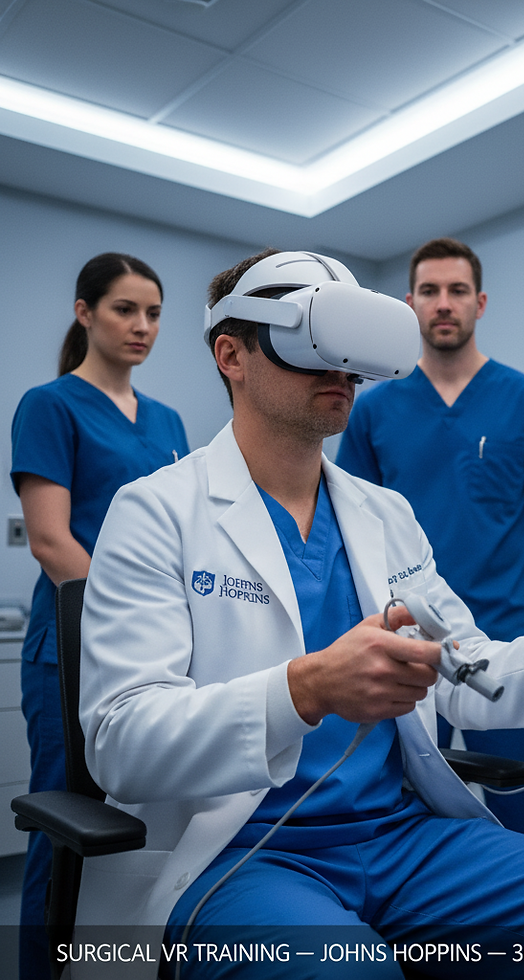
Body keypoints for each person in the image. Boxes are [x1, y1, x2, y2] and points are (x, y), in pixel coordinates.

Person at [75, 249, 524, 980]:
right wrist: (303, 690)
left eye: (351, 345)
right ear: (231, 354)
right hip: (244, 850)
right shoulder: (154, 513)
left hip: (402, 836)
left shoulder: (385, 514)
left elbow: (468, 673)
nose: (340, 368)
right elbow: (120, 743)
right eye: (308, 343)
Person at [337, 238, 524, 841]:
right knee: (407, 816)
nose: (443, 304)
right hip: (406, 648)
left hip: (509, 637)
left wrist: (502, 588)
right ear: (410, 303)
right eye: (429, 291)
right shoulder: (374, 409)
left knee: (522, 816)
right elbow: (355, 526)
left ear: (480, 302)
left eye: (457, 291)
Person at [9, 252, 189, 979]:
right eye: (124, 309)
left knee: (141, 827)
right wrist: (140, 617)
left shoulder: (171, 420)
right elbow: (53, 540)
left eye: (153, 312)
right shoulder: (49, 405)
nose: (142, 326)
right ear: (85, 312)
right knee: (70, 827)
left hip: (163, 647)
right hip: (75, 649)